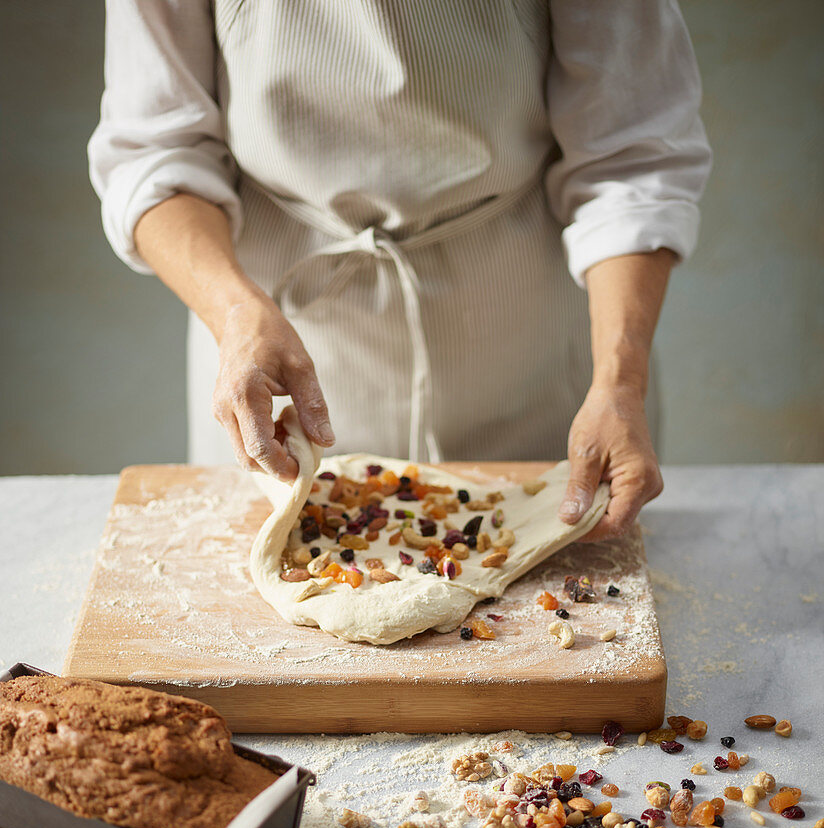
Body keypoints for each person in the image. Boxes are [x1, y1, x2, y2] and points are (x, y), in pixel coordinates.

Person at [89, 1, 711, 541]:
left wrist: (619, 383)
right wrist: (233, 313)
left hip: (527, 338)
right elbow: (154, 153)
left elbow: (632, 156)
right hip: (276, 324)